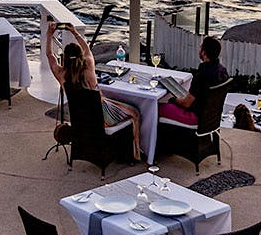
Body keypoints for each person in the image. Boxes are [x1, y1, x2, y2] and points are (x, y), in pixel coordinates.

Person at [45, 21, 141, 157]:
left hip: (81, 120)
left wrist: (49, 35)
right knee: (135, 112)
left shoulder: (61, 75)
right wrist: (74, 32)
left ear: (64, 58)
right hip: (102, 118)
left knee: (109, 102)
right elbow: (88, 51)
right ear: (80, 57)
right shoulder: (88, 69)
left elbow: (50, 55)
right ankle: (136, 153)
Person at [160, 36, 228, 126]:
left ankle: (153, 139)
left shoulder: (203, 73)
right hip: (211, 118)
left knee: (157, 108)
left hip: (196, 117)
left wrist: (174, 100)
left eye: (200, 47)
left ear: (204, 52)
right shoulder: (222, 70)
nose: (199, 49)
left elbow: (186, 103)